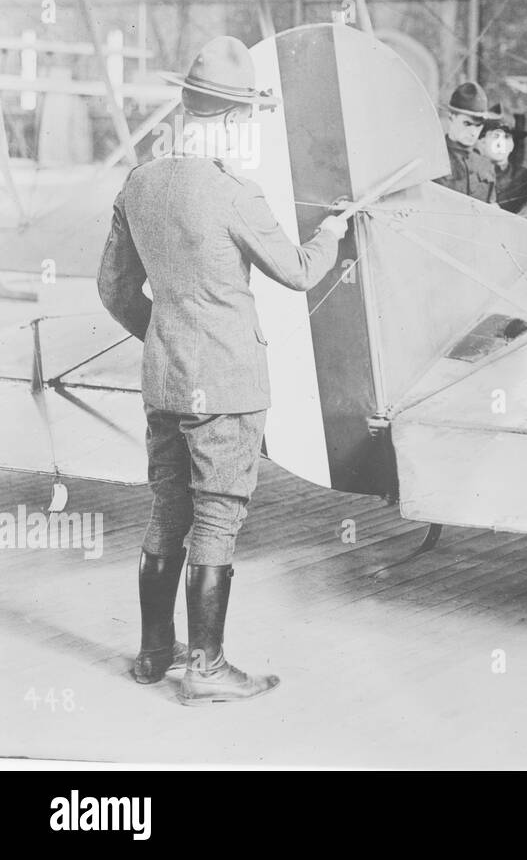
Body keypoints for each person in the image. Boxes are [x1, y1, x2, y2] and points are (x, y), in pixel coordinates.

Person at [99, 36, 352, 705]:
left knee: (167, 511)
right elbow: (298, 272)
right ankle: (206, 669)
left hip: (164, 382)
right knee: (217, 520)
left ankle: (156, 653)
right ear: (238, 120)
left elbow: (115, 291)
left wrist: (163, 336)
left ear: (186, 104)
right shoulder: (235, 192)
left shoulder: (139, 183)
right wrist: (333, 231)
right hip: (228, 387)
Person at [435, 81, 498, 203]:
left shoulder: (486, 165)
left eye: (478, 125)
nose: (473, 132)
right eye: (467, 124)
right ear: (451, 117)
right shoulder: (434, 158)